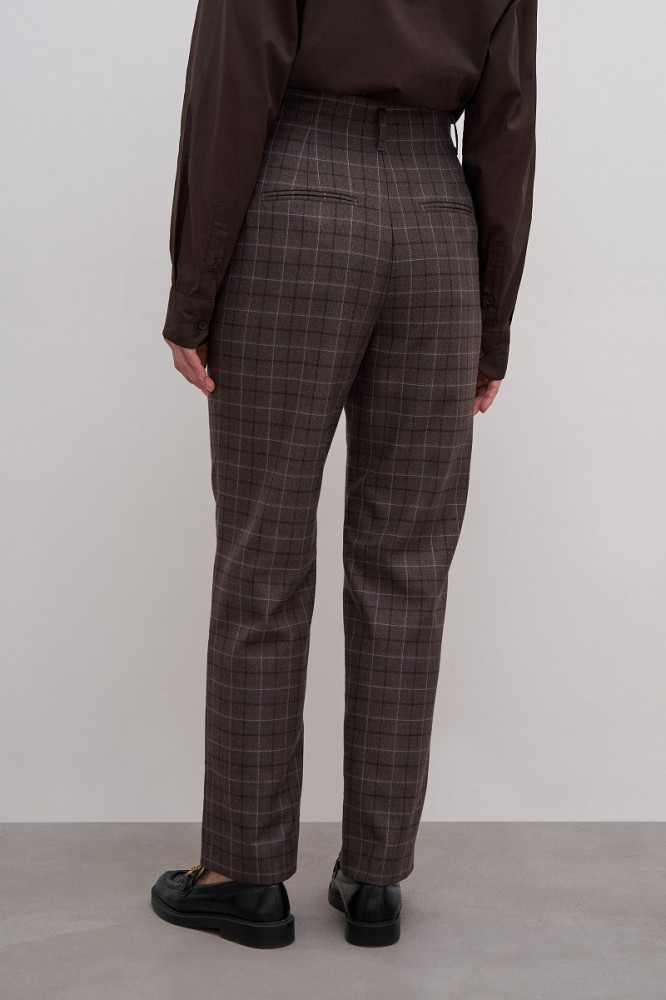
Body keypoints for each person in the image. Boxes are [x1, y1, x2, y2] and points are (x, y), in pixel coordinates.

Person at [150, 0, 538, 949]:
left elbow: (232, 89)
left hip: (295, 205)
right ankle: (375, 876)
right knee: (407, 568)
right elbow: (506, 123)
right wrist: (491, 319)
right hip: (438, 225)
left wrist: (193, 293)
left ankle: (243, 874)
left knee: (263, 557)